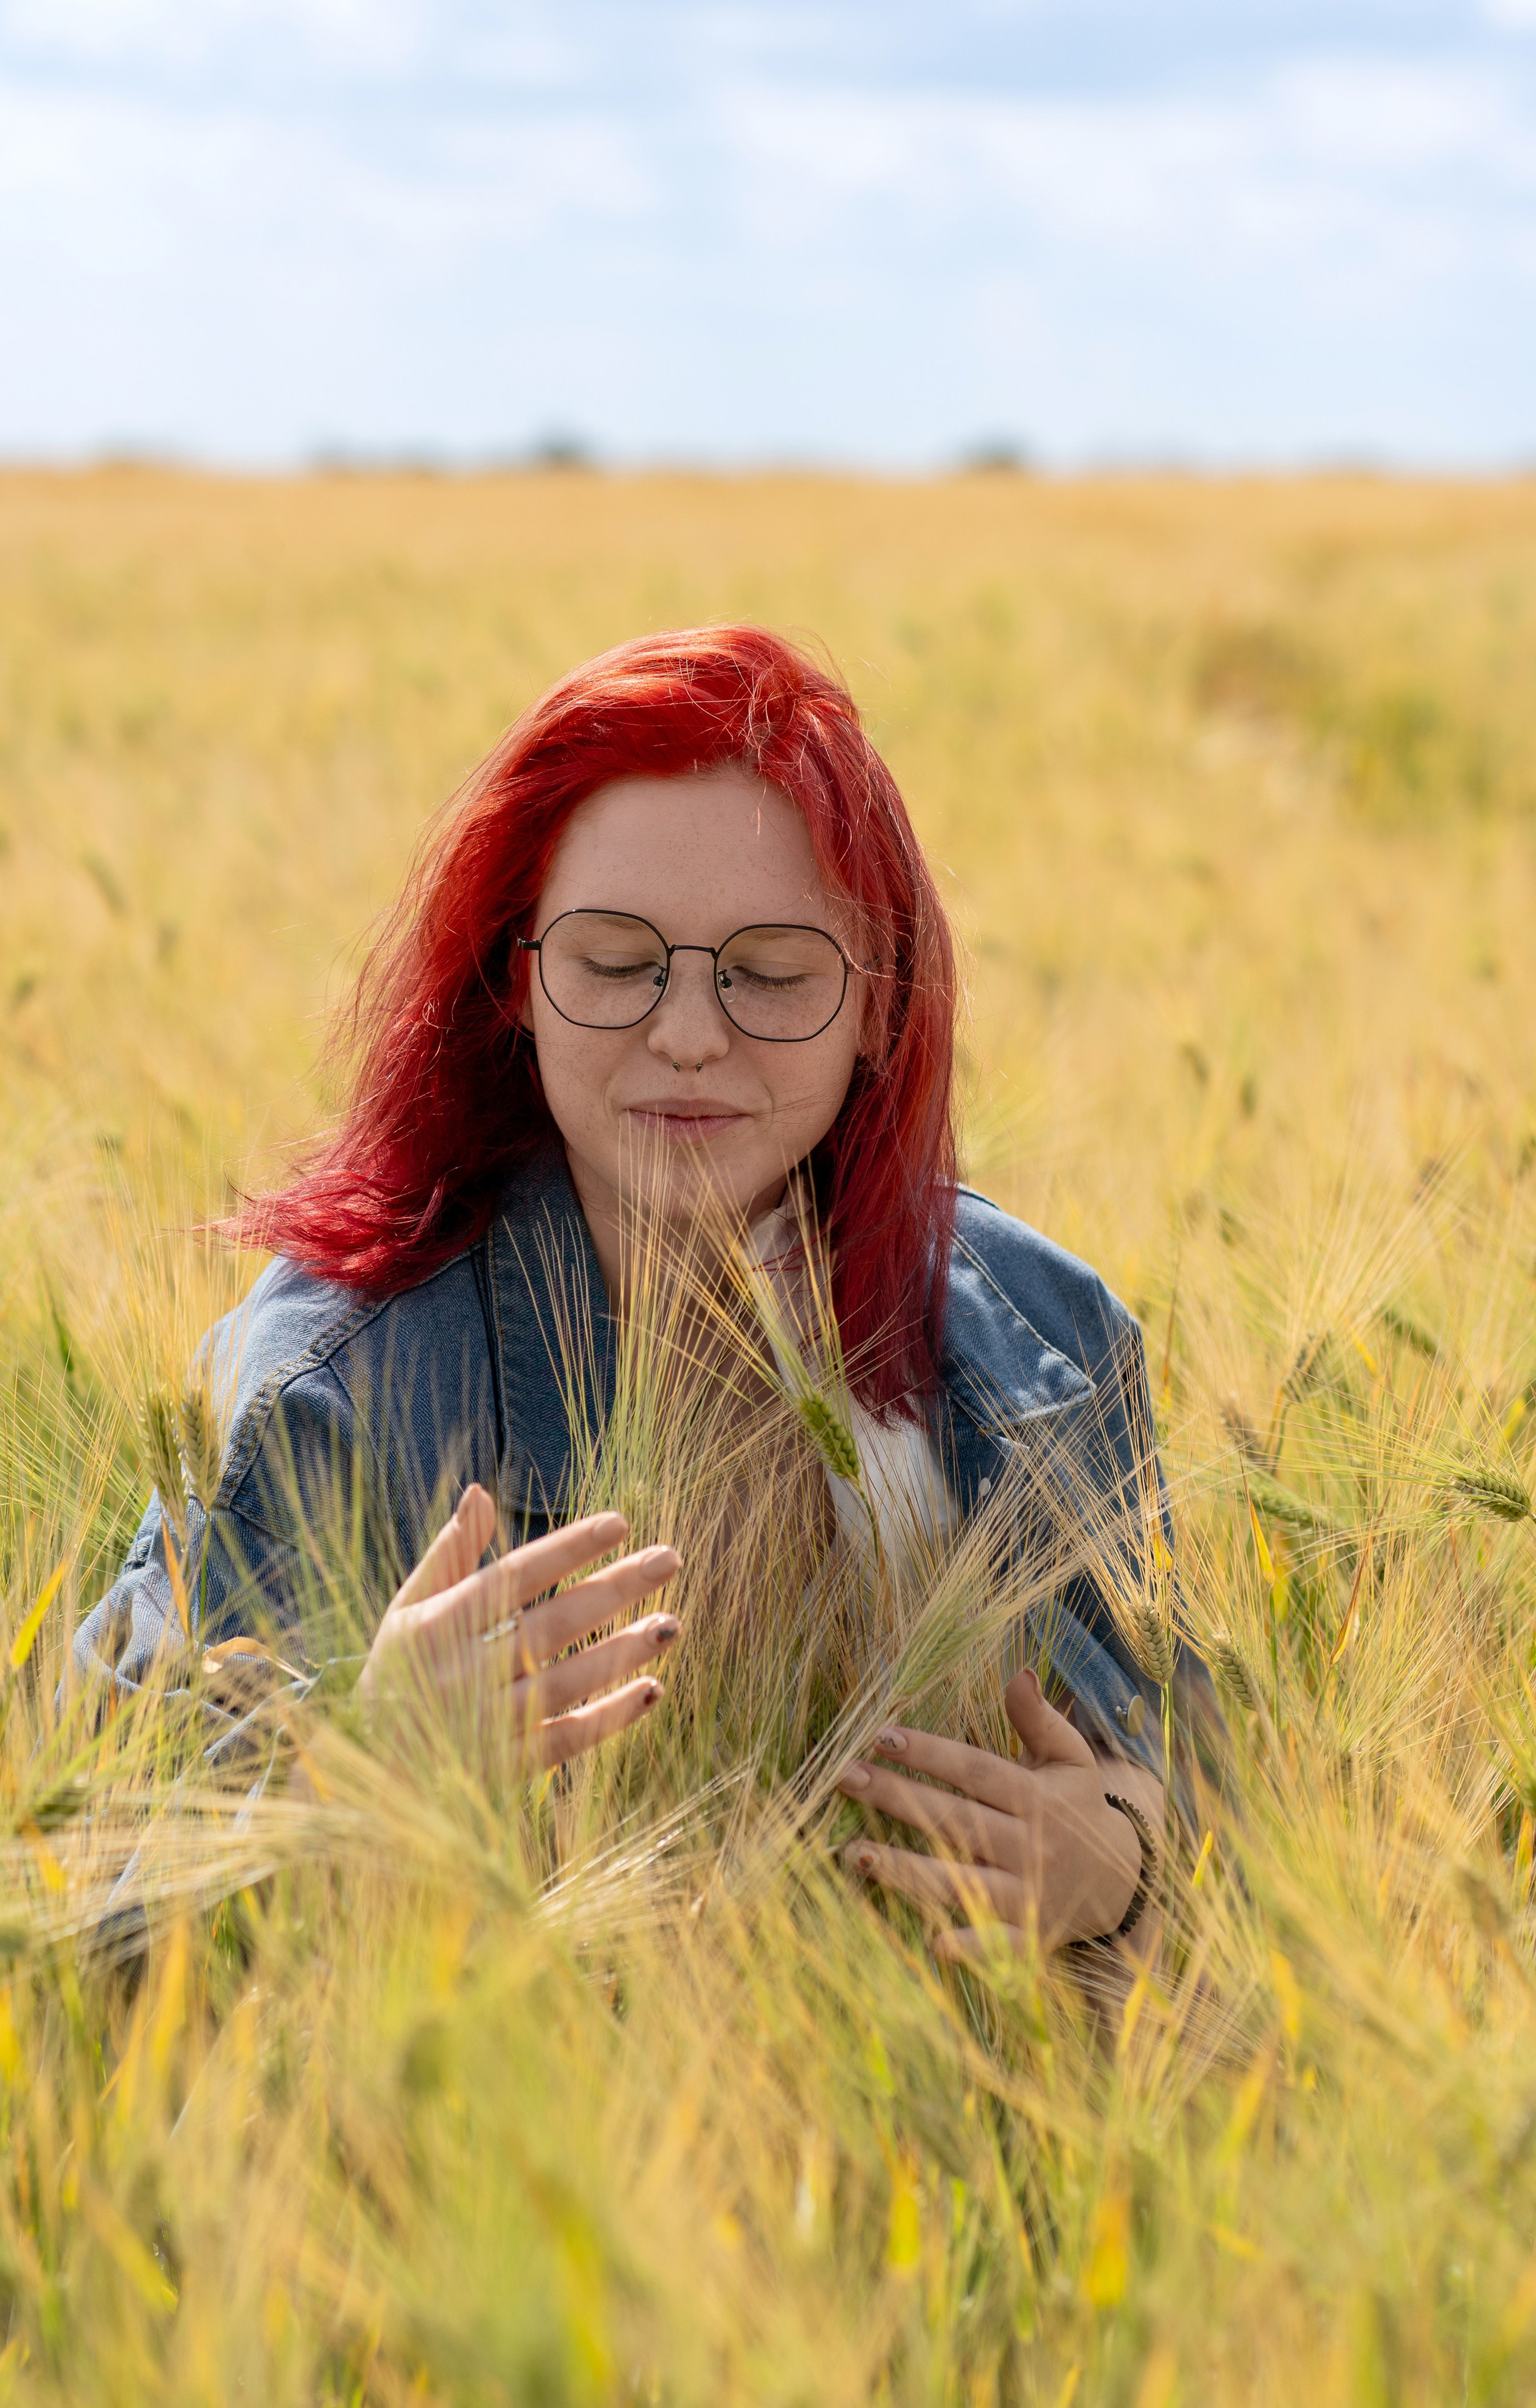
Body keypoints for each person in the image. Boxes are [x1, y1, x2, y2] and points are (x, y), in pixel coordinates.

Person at [77, 626, 1208, 1961]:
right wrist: (356, 1783)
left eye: (771, 974)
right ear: (517, 981)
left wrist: (1124, 1855)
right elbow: (101, 1916)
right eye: (614, 963)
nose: (685, 1034)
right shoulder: (334, 1389)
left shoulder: (1045, 1339)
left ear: (877, 1005)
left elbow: (1233, 1801)